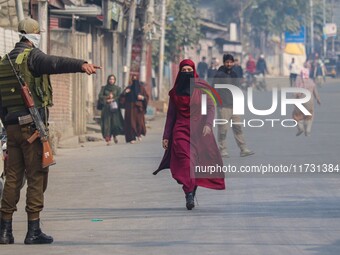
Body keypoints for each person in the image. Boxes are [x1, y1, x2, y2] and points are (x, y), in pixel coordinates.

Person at [0, 17, 100, 245]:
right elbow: (54, 63)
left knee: (13, 177)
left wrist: (8, 125)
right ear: (34, 35)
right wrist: (81, 64)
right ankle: (33, 231)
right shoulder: (32, 57)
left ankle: (4, 231)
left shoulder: (5, 61)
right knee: (37, 175)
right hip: (31, 129)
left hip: (12, 127)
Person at [154, 59, 225, 210]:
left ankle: (191, 188)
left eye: (189, 70)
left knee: (197, 164)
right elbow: (171, 115)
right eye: (184, 71)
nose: (187, 73)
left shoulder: (202, 88)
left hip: (199, 130)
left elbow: (211, 107)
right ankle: (189, 193)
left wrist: (208, 124)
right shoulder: (174, 93)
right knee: (185, 162)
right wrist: (166, 136)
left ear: (194, 71)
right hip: (180, 129)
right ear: (180, 72)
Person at [213, 54, 254, 158]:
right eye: (227, 62)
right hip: (223, 106)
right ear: (224, 62)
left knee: (238, 127)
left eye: (231, 62)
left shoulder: (235, 74)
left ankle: (243, 149)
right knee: (223, 129)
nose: (229, 64)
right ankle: (223, 150)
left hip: (235, 105)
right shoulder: (219, 75)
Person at [293, 62, 321, 136]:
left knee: (296, 115)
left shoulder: (298, 80)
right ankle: (308, 130)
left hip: (300, 100)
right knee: (309, 116)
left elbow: (296, 91)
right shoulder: (311, 81)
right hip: (310, 101)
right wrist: (318, 100)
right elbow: (316, 92)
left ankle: (300, 127)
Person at [119, 75, 149, 144]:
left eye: (136, 79)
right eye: (133, 79)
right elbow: (122, 97)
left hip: (138, 108)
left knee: (139, 122)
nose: (134, 81)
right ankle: (131, 138)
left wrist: (142, 98)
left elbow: (146, 97)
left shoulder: (141, 88)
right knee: (130, 123)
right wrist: (125, 93)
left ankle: (138, 134)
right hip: (130, 108)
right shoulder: (128, 88)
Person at [98, 74, 124, 145]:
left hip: (114, 108)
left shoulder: (117, 88)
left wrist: (112, 99)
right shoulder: (104, 88)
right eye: (110, 79)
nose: (111, 80)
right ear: (108, 80)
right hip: (106, 108)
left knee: (114, 124)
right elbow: (100, 96)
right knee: (107, 124)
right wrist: (107, 98)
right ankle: (108, 139)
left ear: (114, 80)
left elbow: (119, 97)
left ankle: (115, 136)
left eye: (113, 79)